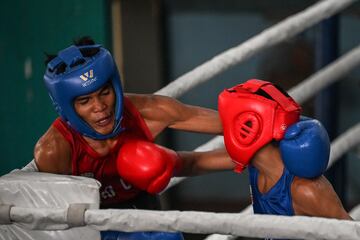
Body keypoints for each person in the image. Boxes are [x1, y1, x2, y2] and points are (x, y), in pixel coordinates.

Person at [34, 37, 330, 240]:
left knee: (166, 237)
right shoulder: (54, 151)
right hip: (89, 223)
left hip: (139, 204)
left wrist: (287, 127)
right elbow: (57, 226)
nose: (99, 107)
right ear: (67, 108)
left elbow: (239, 129)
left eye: (104, 93)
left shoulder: (148, 112)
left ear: (115, 86)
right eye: (85, 101)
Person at [218, 79, 352, 225]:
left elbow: (353, 233)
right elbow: (194, 162)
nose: (225, 131)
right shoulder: (255, 162)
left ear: (249, 130)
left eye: (229, 122)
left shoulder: (306, 190)